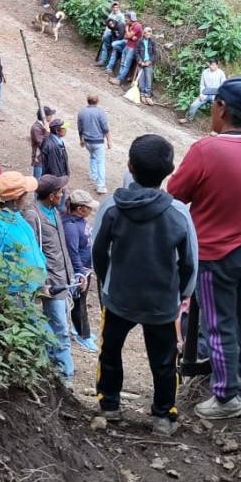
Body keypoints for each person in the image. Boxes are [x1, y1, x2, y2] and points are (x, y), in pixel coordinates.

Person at [168, 77, 241, 420]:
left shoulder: (207, 150)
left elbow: (176, 193)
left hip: (218, 254)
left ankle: (226, 396)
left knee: (219, 323)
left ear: (221, 108)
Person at [93, 136, 198, 434]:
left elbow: (98, 252)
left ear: (130, 166)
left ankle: (109, 405)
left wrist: (107, 283)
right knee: (164, 360)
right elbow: (190, 262)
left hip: (118, 297)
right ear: (169, 171)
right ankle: (163, 416)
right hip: (162, 302)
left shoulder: (111, 207)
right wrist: (182, 294)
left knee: (110, 351)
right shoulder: (178, 212)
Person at [23, 175, 76, 385]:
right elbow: (31, 250)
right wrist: (40, 283)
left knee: (59, 325)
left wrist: (72, 274)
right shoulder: (32, 215)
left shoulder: (54, 211)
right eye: (60, 192)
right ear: (52, 196)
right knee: (60, 328)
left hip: (62, 278)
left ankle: (55, 368)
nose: (63, 195)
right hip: (49, 281)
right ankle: (65, 375)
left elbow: (61, 247)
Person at [0, 171, 46, 303]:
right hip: (16, 295)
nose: (27, 199)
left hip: (30, 289)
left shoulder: (14, 214)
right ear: (15, 199)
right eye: (25, 195)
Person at [63, 189, 99, 352]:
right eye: (88, 207)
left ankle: (80, 329)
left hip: (85, 268)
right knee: (78, 303)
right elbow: (73, 252)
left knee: (80, 301)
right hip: (80, 271)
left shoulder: (79, 221)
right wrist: (80, 274)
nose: (91, 210)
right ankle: (82, 334)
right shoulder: (70, 227)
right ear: (79, 209)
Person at [77, 94, 111, 195]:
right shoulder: (100, 112)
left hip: (87, 141)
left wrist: (81, 139)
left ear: (88, 101)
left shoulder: (82, 112)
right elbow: (105, 128)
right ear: (97, 101)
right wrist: (109, 141)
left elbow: (80, 128)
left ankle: (93, 175)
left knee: (92, 156)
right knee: (100, 162)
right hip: (98, 141)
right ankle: (100, 186)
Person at [106, 12, 142, 85]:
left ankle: (119, 80)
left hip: (132, 48)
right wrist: (130, 36)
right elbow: (125, 36)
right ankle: (118, 78)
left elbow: (128, 36)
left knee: (126, 65)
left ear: (131, 19)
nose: (126, 20)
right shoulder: (131, 26)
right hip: (127, 45)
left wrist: (127, 29)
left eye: (127, 18)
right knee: (122, 63)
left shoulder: (137, 26)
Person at [40, 118, 70, 184]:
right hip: (54, 182)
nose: (66, 130)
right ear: (57, 131)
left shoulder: (58, 141)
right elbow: (54, 167)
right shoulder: (52, 146)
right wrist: (59, 182)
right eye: (64, 128)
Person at [30, 105, 56, 180]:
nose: (52, 117)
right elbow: (44, 144)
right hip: (39, 160)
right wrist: (47, 132)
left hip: (47, 158)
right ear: (46, 116)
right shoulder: (36, 128)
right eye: (50, 115)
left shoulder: (45, 125)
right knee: (38, 182)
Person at [96, 2, 126, 67]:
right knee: (105, 40)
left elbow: (122, 27)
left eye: (116, 7)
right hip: (110, 31)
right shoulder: (111, 14)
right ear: (112, 8)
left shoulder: (121, 15)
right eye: (114, 7)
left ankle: (106, 60)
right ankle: (102, 60)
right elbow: (107, 26)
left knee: (108, 42)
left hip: (116, 33)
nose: (115, 9)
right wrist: (104, 34)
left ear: (119, 8)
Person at [136, 26, 158, 104]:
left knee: (148, 79)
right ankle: (142, 95)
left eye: (150, 33)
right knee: (141, 79)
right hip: (141, 62)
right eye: (147, 33)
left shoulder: (152, 42)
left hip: (148, 62)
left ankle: (147, 95)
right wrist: (140, 61)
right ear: (144, 33)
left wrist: (150, 61)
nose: (149, 35)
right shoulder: (140, 41)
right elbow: (136, 52)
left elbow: (155, 54)